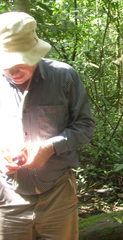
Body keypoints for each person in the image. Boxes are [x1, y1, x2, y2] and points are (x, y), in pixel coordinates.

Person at [0, 12, 95, 239]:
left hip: (57, 194)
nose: (12, 72)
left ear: (34, 55)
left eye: (19, 63)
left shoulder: (64, 77)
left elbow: (86, 125)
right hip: (8, 197)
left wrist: (50, 147)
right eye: (6, 65)